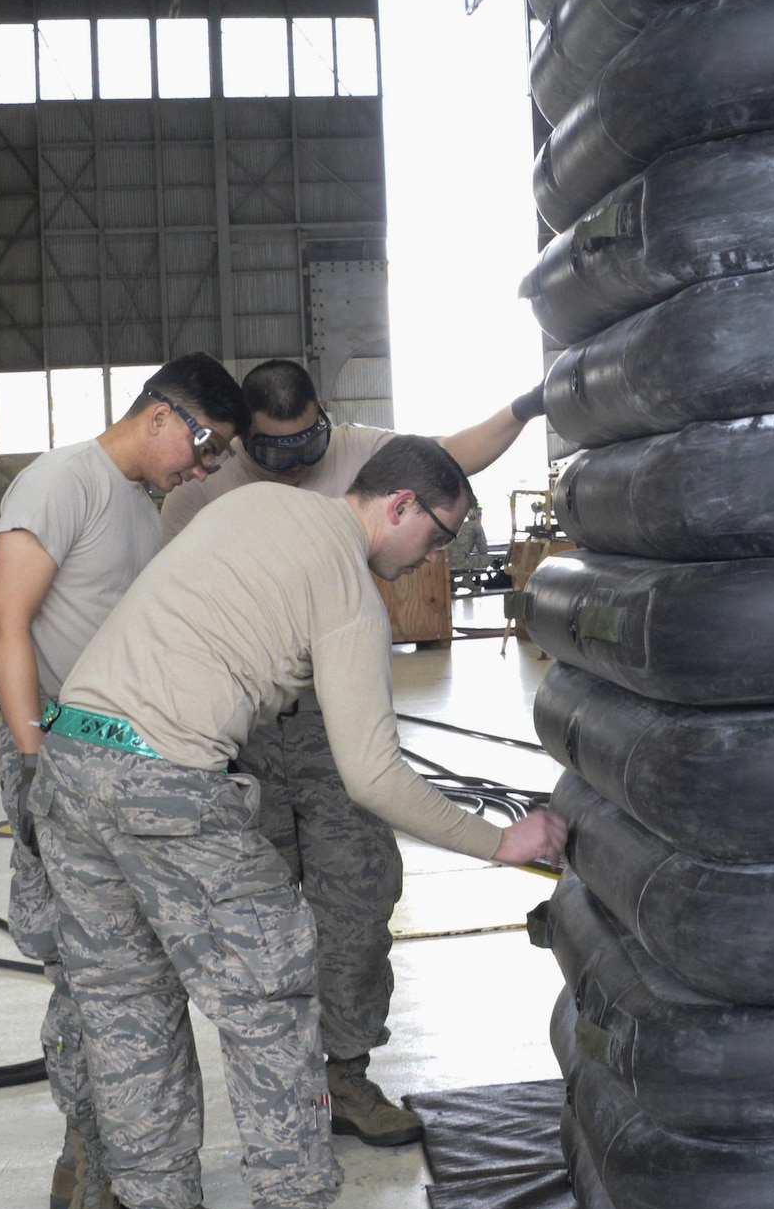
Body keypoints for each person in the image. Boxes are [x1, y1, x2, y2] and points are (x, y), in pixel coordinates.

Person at [31, 435, 567, 1209]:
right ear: (398, 505)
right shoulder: (349, 585)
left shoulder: (250, 509)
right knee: (272, 992)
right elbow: (374, 776)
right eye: (438, 537)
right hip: (165, 780)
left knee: (126, 1005)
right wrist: (498, 841)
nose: (433, 558)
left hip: (72, 763)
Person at [159, 358, 545, 1147]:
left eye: (307, 441)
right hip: (243, 733)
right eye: (271, 449)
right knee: (255, 923)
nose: (293, 460)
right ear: (242, 442)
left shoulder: (366, 462)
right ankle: (283, 1097)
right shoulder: (199, 490)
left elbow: (454, 460)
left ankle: (347, 1076)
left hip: (339, 717)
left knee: (358, 901)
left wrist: (530, 405)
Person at [0, 355, 250, 1209]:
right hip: (55, 759)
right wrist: (30, 765)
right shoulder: (64, 480)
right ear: (160, 413)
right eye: (203, 445)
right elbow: (5, 624)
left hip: (123, 774)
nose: (201, 468)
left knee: (130, 974)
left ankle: (129, 1162)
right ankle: (90, 1161)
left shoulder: (140, 512)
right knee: (81, 972)